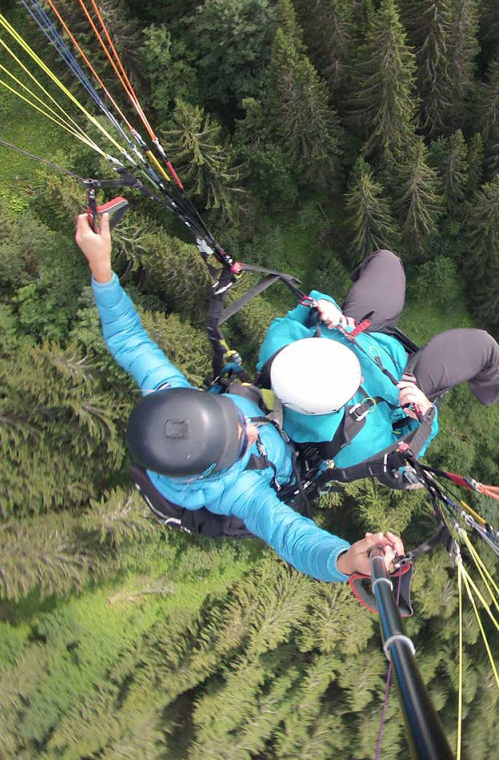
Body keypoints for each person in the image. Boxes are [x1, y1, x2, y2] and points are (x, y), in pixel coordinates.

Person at [74, 211, 403, 583]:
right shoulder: (239, 492)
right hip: (303, 451)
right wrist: (345, 562)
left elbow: (128, 340)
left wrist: (100, 265)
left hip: (284, 403)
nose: (248, 428)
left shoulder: (172, 397)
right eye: (241, 438)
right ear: (218, 467)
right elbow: (292, 538)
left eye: (233, 417)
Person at [258, 250, 499, 481]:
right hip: (404, 384)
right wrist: (426, 416)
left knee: (386, 260)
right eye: (356, 382)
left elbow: (306, 306)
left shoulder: (279, 354)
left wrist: (327, 307)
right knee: (482, 346)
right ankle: (498, 381)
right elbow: (402, 457)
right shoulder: (354, 444)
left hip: (357, 330)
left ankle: (358, 307)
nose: (361, 379)